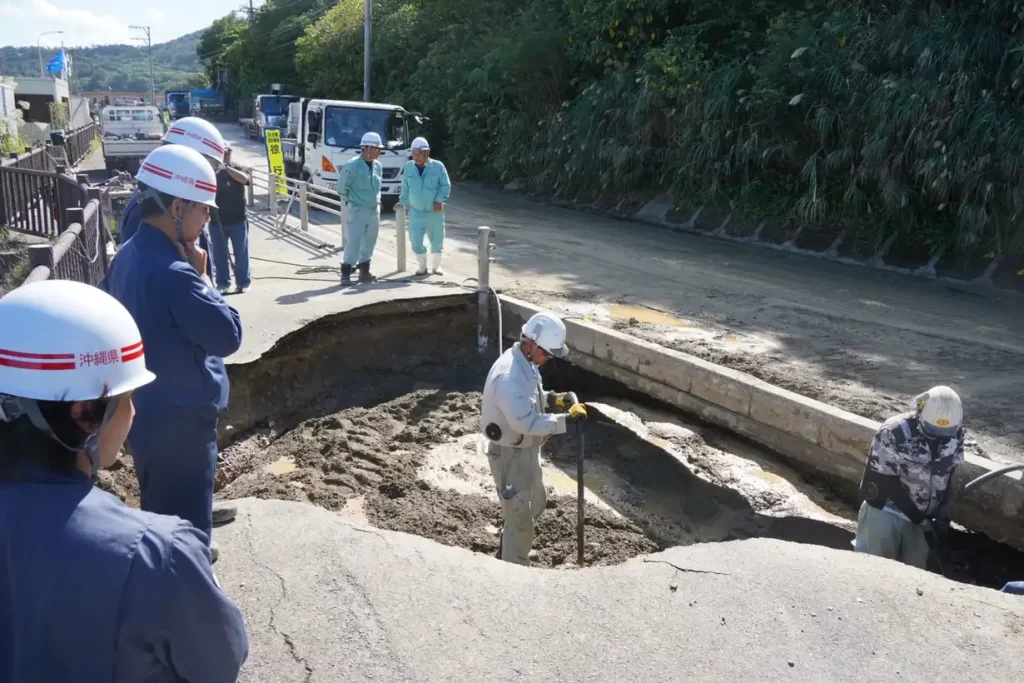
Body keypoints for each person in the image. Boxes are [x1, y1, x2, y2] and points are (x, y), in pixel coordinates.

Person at [0, 280, 248, 681]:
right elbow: (220, 662)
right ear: (84, 413)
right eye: (129, 397)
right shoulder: (157, 553)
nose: (133, 414)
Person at [101, 145, 244, 563]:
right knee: (185, 531)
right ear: (177, 207)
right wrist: (204, 279)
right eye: (204, 210)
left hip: (148, 412)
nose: (207, 220)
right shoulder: (176, 273)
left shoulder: (128, 255)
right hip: (182, 420)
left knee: (162, 514)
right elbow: (228, 335)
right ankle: (189, 605)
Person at [480, 311, 587, 565]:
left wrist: (552, 399)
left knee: (537, 501)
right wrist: (565, 421)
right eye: (547, 353)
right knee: (520, 518)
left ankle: (510, 546)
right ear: (531, 342)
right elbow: (524, 422)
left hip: (526, 448)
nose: (549, 358)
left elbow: (531, 397)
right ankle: (514, 569)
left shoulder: (526, 363)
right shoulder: (509, 376)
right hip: (510, 453)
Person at [854, 385, 965, 569]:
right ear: (920, 411)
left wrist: (942, 514)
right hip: (887, 510)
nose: (939, 437)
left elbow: (950, 472)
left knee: (914, 576)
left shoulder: (956, 434)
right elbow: (884, 480)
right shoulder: (894, 432)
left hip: (923, 518)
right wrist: (919, 519)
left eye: (945, 432)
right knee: (873, 569)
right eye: (932, 429)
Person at [118, 116, 227, 282]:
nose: (207, 174)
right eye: (206, 165)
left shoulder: (163, 202)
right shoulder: (148, 214)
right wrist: (203, 283)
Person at [398, 137, 451, 276]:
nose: (416, 157)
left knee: (437, 239)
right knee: (415, 240)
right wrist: (402, 201)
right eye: (414, 154)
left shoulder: (438, 166)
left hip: (434, 212)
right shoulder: (409, 166)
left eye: (419, 153)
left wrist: (439, 200)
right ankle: (422, 266)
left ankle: (436, 267)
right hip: (416, 212)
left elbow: (445, 185)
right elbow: (405, 186)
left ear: (427, 153)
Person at [336, 131, 384, 285]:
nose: (379, 152)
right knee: (354, 241)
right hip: (357, 209)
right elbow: (341, 187)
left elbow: (378, 187)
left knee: (370, 241)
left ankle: (364, 272)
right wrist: (349, 202)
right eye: (377, 148)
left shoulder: (378, 166)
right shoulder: (352, 166)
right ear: (367, 148)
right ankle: (346, 273)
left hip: (373, 210)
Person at [210, 146, 253, 295]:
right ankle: (223, 282)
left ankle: (243, 282)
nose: (225, 155)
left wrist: (227, 167)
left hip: (238, 220)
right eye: (222, 152)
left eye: (227, 152)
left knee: (241, 253)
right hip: (217, 221)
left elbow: (245, 179)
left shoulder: (238, 168)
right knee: (219, 254)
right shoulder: (211, 172)